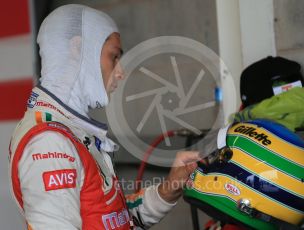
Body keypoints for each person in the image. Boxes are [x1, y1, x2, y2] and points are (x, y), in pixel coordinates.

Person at [9, 4, 199, 230]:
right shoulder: (49, 142)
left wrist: (168, 189)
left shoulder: (69, 130)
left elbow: (112, 218)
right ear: (78, 49)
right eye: (114, 56)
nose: (120, 72)